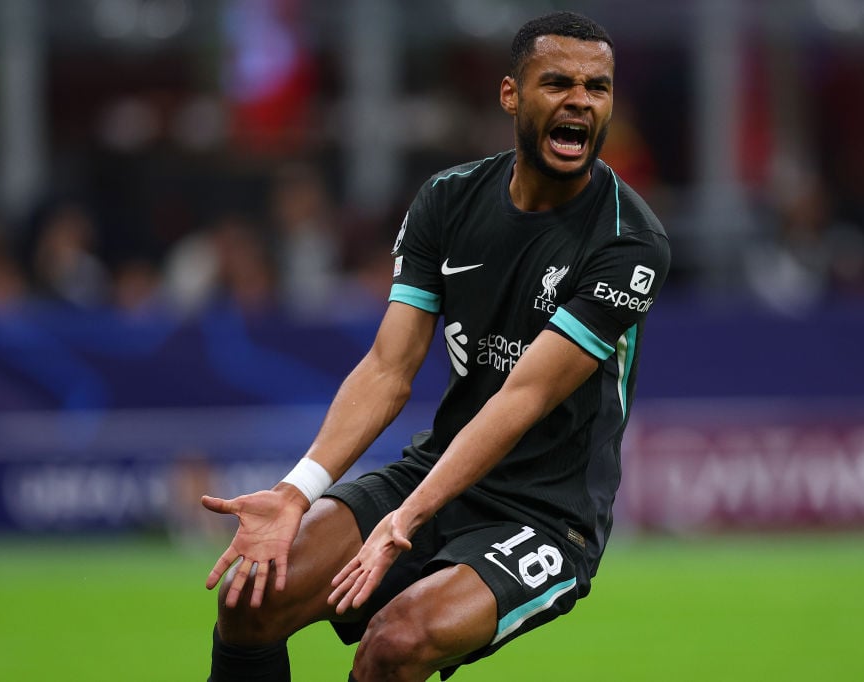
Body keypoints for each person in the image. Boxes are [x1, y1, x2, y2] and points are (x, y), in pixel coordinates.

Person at [201, 11, 670, 681]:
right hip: (435, 473)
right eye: (558, 82)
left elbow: (524, 396)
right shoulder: (447, 201)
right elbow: (389, 368)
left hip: (545, 515)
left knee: (395, 643)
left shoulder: (630, 241)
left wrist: (406, 519)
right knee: (252, 598)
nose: (580, 101)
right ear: (511, 95)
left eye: (597, 87)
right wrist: (298, 491)